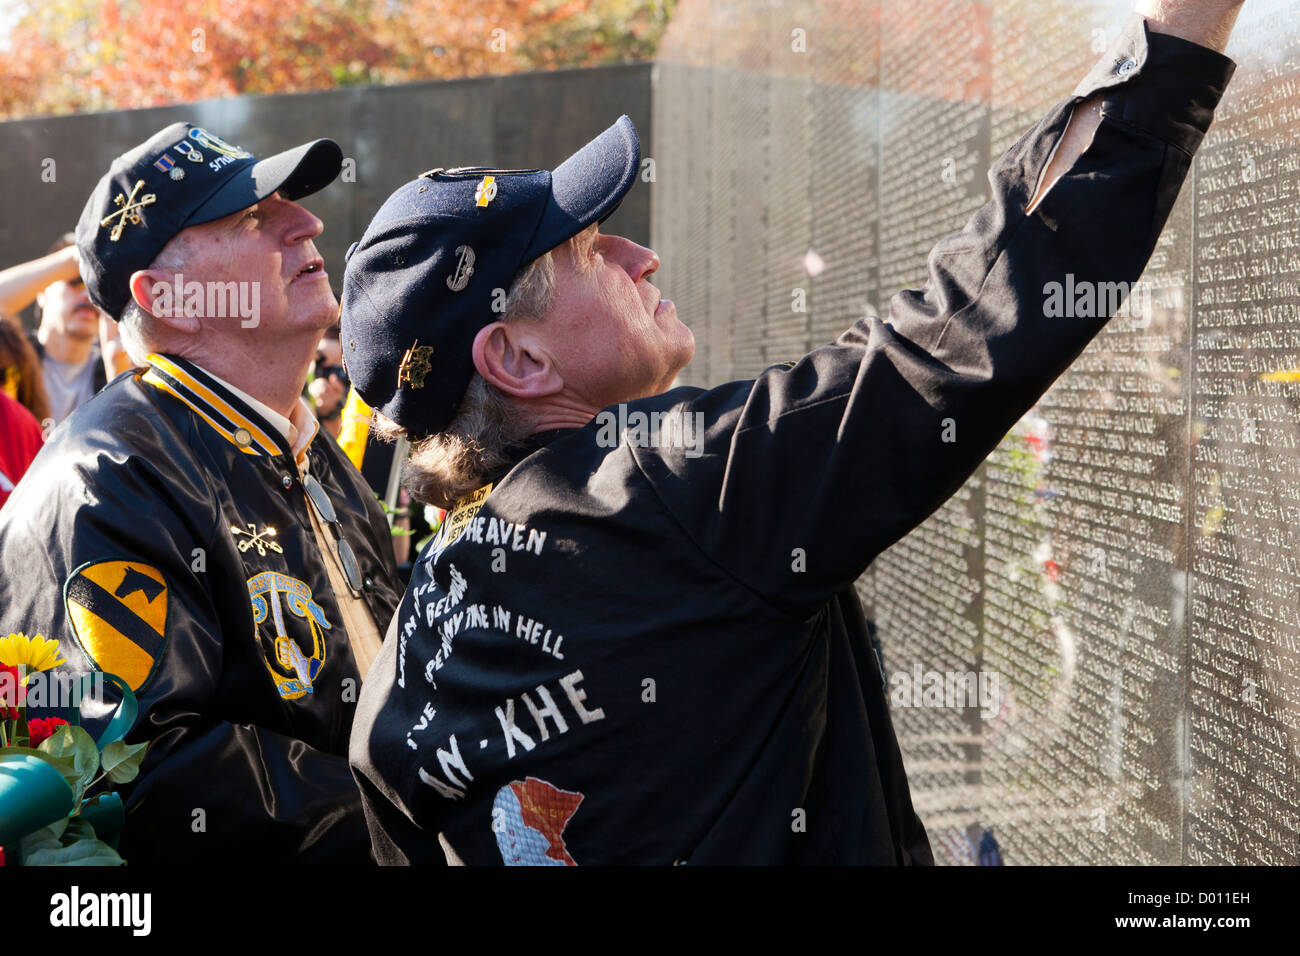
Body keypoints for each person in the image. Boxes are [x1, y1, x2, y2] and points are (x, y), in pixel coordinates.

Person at [344, 1, 1242, 865]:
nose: (639, 255)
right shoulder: (671, 493)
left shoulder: (396, 682)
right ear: (519, 360)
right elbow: (965, 326)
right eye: (588, 249)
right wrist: (1172, 38)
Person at [0, 122, 404, 864]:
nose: (307, 221)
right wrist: (425, 826)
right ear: (170, 299)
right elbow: (143, 774)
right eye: (253, 216)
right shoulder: (106, 477)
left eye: (292, 202)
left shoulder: (306, 446)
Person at [0, 235, 115, 424]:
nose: (89, 296)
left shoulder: (116, 366)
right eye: (75, 282)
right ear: (42, 293)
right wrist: (72, 258)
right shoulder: (11, 356)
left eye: (95, 287)